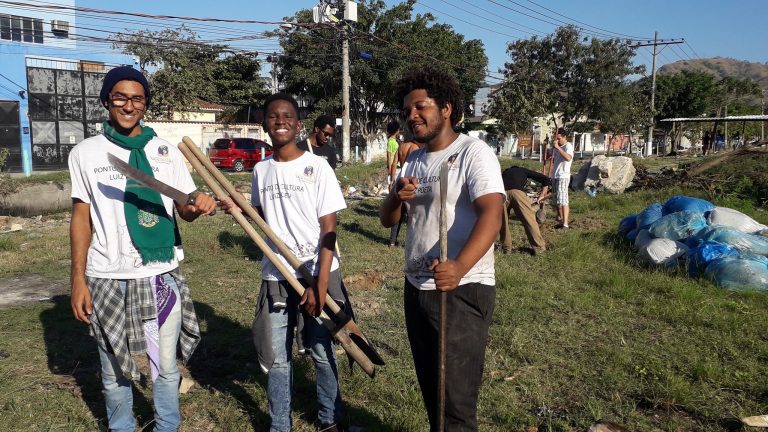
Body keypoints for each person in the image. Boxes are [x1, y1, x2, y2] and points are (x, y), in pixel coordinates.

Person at [68, 65, 216, 432]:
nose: (129, 105)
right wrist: (77, 280)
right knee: (113, 372)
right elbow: (81, 218)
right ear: (107, 100)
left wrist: (199, 205)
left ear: (146, 104)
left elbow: (184, 210)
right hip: (106, 276)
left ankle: (167, 426)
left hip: (159, 275)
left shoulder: (165, 151)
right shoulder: (85, 153)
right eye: (120, 97)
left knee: (164, 367)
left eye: (137, 98)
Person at [379, 67, 505, 431]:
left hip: (461, 288)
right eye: (407, 110)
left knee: (455, 403)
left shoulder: (472, 153)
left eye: (421, 106)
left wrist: (460, 266)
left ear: (446, 108)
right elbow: (388, 219)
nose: (412, 115)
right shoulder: (414, 159)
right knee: (433, 394)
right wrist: (396, 195)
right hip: (417, 286)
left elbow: (492, 214)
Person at [224, 93, 348, 432]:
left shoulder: (317, 167)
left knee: (321, 349)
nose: (280, 121)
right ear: (264, 124)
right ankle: (280, 425)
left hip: (318, 271)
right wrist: (238, 209)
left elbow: (329, 228)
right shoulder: (260, 170)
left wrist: (320, 285)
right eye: (273, 116)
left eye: (288, 116)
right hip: (277, 274)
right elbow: (261, 219)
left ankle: (330, 419)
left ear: (298, 124)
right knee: (278, 358)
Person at [498, 165, 552, 254]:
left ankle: (506, 248)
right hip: (518, 193)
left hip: (502, 194)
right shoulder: (522, 170)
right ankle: (539, 248)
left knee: (502, 222)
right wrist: (542, 194)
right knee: (529, 220)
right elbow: (546, 179)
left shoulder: (503, 173)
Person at [388, 139, 422, 247]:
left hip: (401, 180)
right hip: (411, 181)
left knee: (399, 212)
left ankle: (392, 241)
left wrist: (392, 180)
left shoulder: (401, 147)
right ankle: (413, 241)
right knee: (413, 214)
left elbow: (394, 163)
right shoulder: (415, 148)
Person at [549, 127, 574, 229]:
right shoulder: (557, 147)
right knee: (556, 201)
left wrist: (558, 148)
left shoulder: (568, 146)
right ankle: (560, 219)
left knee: (563, 200)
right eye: (556, 139)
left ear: (564, 137)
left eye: (559, 139)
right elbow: (551, 158)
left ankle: (565, 224)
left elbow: (568, 158)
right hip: (555, 176)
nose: (557, 141)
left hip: (563, 176)